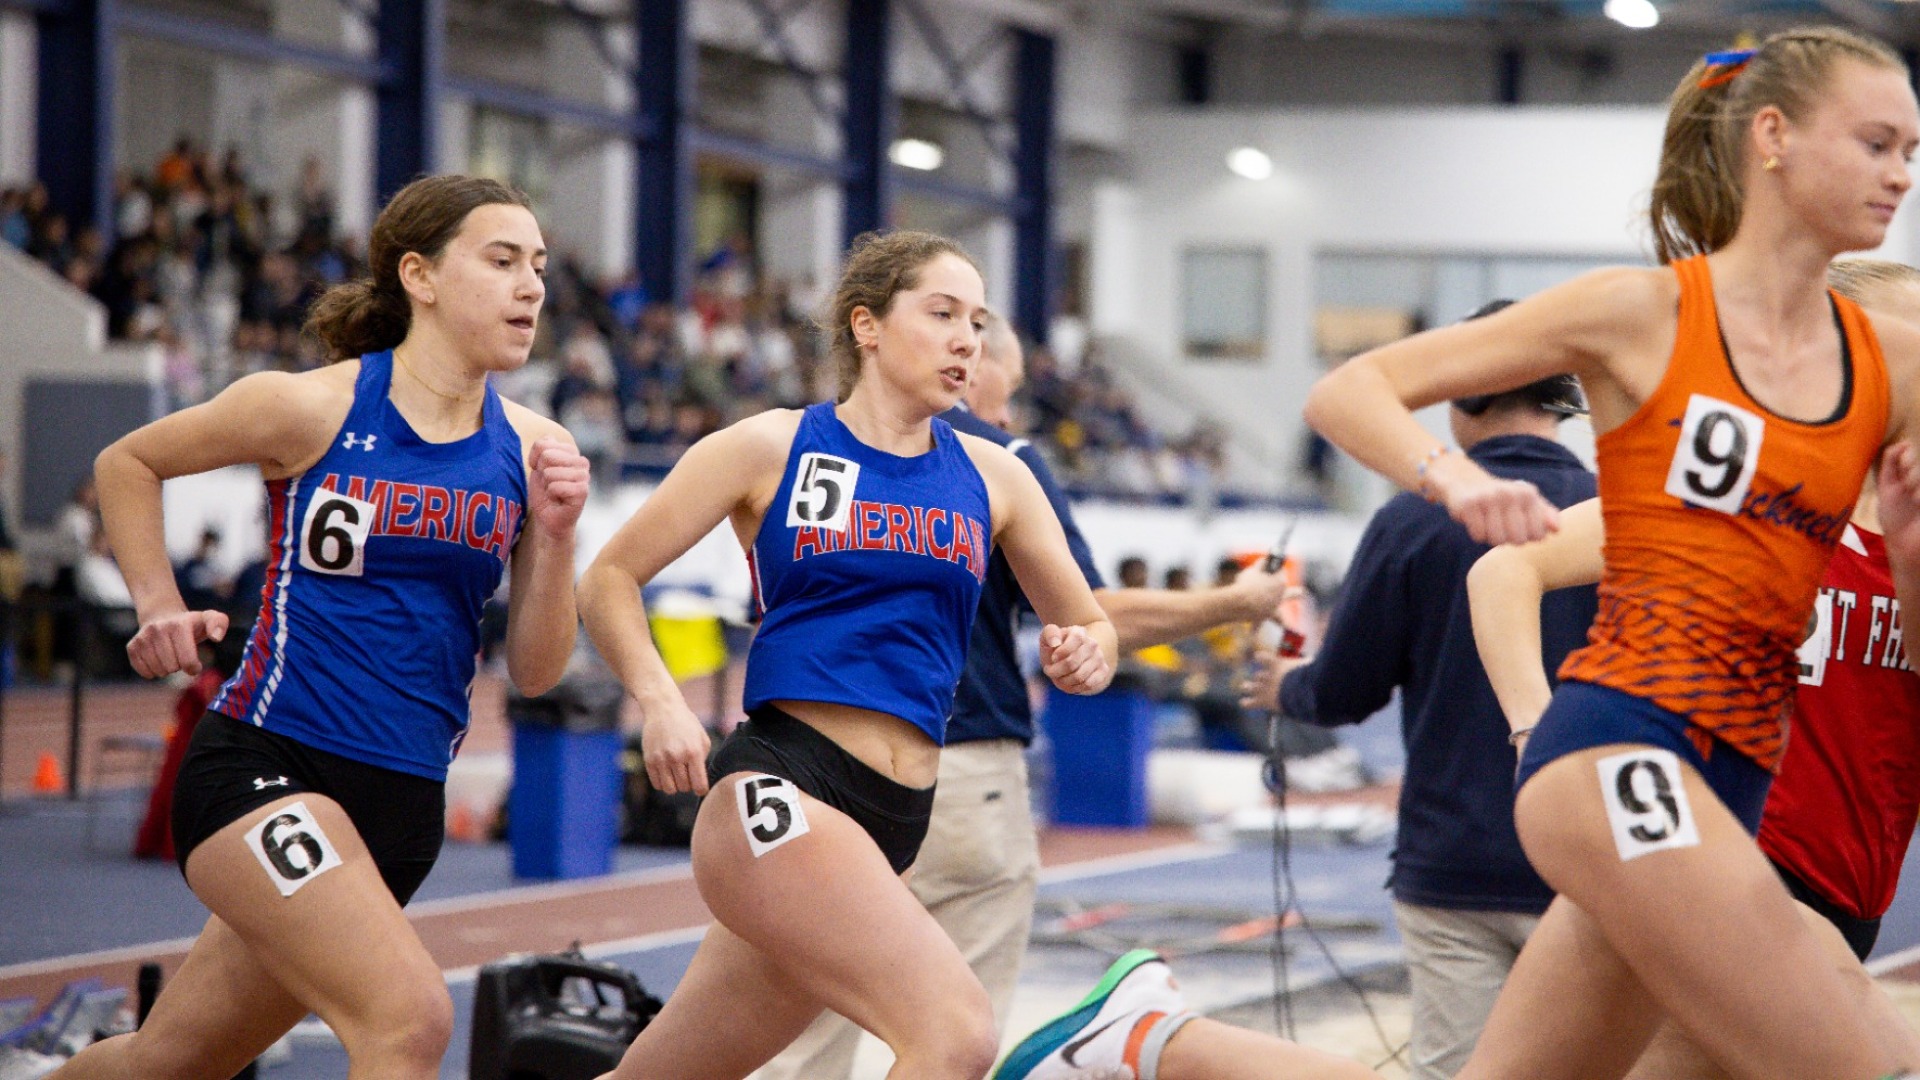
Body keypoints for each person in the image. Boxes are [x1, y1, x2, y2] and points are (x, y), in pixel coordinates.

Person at [1300, 29, 1920, 1079]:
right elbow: (1348, 389)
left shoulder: (1892, 360)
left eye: (1911, 149)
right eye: (1875, 143)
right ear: (1772, 137)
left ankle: (1157, 1045)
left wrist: (1904, 548)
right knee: (1863, 1066)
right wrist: (1452, 479)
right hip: (1617, 753)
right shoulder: (1640, 313)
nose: (1901, 173)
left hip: (1731, 785)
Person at [47, 174, 589, 1080]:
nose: (531, 285)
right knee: (408, 1022)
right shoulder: (312, 407)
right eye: (501, 261)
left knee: (170, 1062)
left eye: (536, 265)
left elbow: (535, 672)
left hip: (403, 806)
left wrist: (560, 540)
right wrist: (157, 604)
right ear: (418, 276)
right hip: (265, 767)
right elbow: (128, 461)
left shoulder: (535, 449)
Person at [577, 230, 1116, 1080]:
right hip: (779, 788)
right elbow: (609, 575)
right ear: (866, 326)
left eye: (975, 320)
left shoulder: (995, 477)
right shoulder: (772, 447)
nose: (966, 339)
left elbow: (1091, 622)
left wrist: (1088, 651)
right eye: (941, 314)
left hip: (892, 820)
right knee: (954, 1034)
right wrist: (661, 699)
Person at [755, 314, 1340, 1080]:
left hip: (809, 768)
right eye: (1011, 387)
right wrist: (1237, 600)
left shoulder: (801, 447)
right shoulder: (995, 461)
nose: (1008, 408)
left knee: (806, 1021)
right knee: (956, 1028)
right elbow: (1093, 612)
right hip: (950, 773)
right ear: (975, 363)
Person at [1466, 257, 1920, 1080]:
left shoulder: (1908, 533)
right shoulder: (1757, 489)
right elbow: (1504, 570)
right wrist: (1534, 728)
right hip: (1725, 862)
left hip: (1854, 890)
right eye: (1909, 341)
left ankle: (1169, 1045)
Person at [1239, 319, 1598, 1080]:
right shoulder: (1622, 515)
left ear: (1461, 401)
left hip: (1453, 860)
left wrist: (1286, 689)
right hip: (1593, 857)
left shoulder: (1412, 518)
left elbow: (1343, 690)